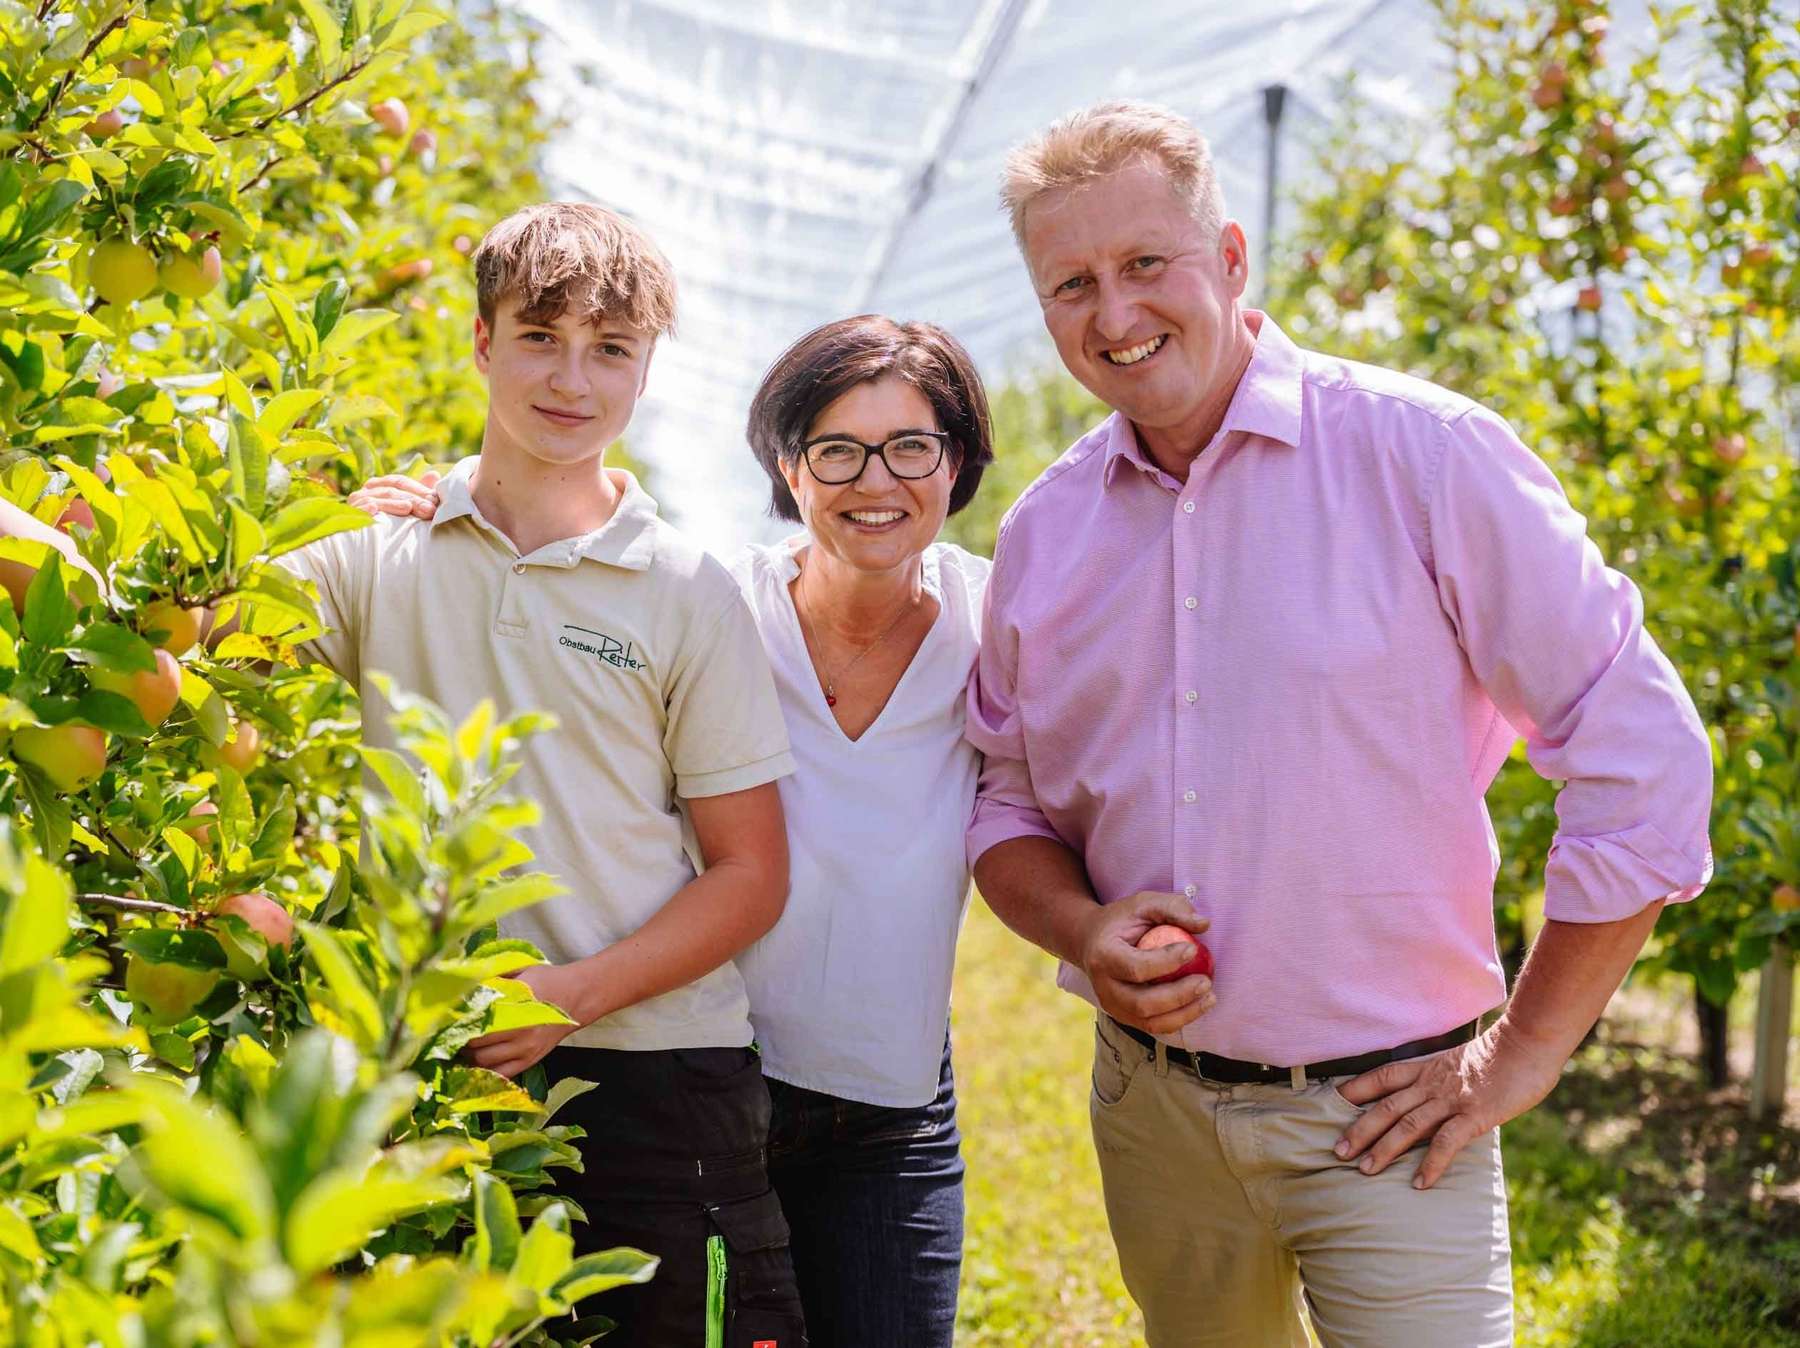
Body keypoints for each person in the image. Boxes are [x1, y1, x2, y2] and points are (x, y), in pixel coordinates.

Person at [964, 101, 1714, 1347]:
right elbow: (1007, 798)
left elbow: (1643, 755)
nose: (1114, 314)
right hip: (1154, 1117)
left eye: (1147, 263)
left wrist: (1522, 1055)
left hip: (1392, 1115)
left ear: (1233, 257)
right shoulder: (1046, 531)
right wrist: (1087, 927)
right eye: (1072, 284)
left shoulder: (1428, 458)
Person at [138, 202, 804, 1348]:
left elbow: (750, 874)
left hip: (651, 1070)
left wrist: (571, 994)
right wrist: (282, 521)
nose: (572, 378)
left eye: (610, 349)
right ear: (482, 339)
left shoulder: (687, 588)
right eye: (540, 335)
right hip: (428, 1064)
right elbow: (190, 646)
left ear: (645, 370)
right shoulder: (372, 555)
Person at [352, 313, 997, 1348]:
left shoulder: (994, 624)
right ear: (788, 466)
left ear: (957, 462)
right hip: (709, 1084)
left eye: (911, 446)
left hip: (887, 1104)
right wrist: (443, 508)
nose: (875, 480)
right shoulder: (714, 602)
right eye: (836, 448)